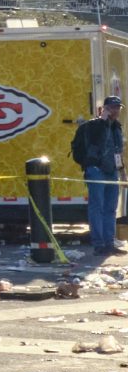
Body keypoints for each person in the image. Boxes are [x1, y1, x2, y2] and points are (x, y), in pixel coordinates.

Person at [73, 95, 125, 257]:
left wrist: (122, 172)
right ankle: (99, 244)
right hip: (96, 170)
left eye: (118, 108)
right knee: (97, 207)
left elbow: (118, 151)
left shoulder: (117, 127)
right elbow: (94, 140)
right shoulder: (93, 126)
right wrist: (102, 120)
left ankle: (109, 243)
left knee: (110, 209)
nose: (115, 111)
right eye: (112, 108)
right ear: (105, 108)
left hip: (111, 171)